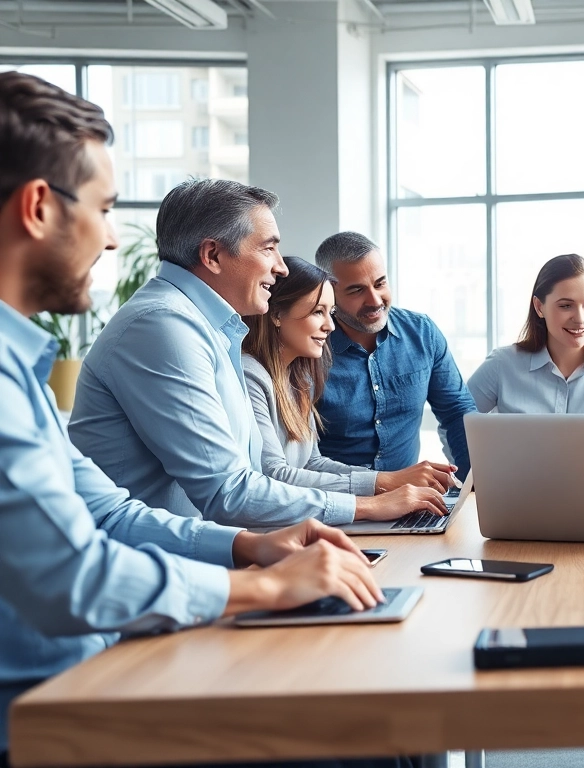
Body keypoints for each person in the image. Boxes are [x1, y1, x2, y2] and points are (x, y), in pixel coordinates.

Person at [0, 70, 406, 768]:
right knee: (354, 740)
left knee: (371, 721)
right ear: (38, 207)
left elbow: (113, 512)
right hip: (46, 706)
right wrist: (263, 583)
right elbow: (76, 577)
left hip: (105, 651)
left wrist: (249, 550)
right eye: (102, 208)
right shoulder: (156, 328)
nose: (106, 241)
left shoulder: (24, 362)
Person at [68, 180, 447, 529]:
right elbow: (229, 493)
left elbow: (252, 477)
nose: (280, 267)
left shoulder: (211, 330)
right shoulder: (163, 327)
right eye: (268, 248)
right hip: (149, 575)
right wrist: (370, 504)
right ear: (213, 255)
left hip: (190, 558)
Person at [242, 256, 459, 497]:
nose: (330, 326)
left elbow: (313, 462)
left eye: (330, 312)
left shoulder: (299, 378)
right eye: (318, 312)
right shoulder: (250, 375)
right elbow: (273, 474)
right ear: (277, 315)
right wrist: (386, 483)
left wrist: (393, 483)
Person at [314, 232, 476, 480]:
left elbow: (456, 413)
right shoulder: (310, 349)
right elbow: (300, 460)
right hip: (338, 503)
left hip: (410, 503)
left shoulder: (422, 333)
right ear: (329, 291)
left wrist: (476, 487)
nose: (375, 300)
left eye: (380, 283)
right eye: (357, 290)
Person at [468, 254, 584, 415]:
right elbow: (456, 422)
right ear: (540, 307)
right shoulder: (502, 365)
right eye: (566, 306)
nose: (580, 319)